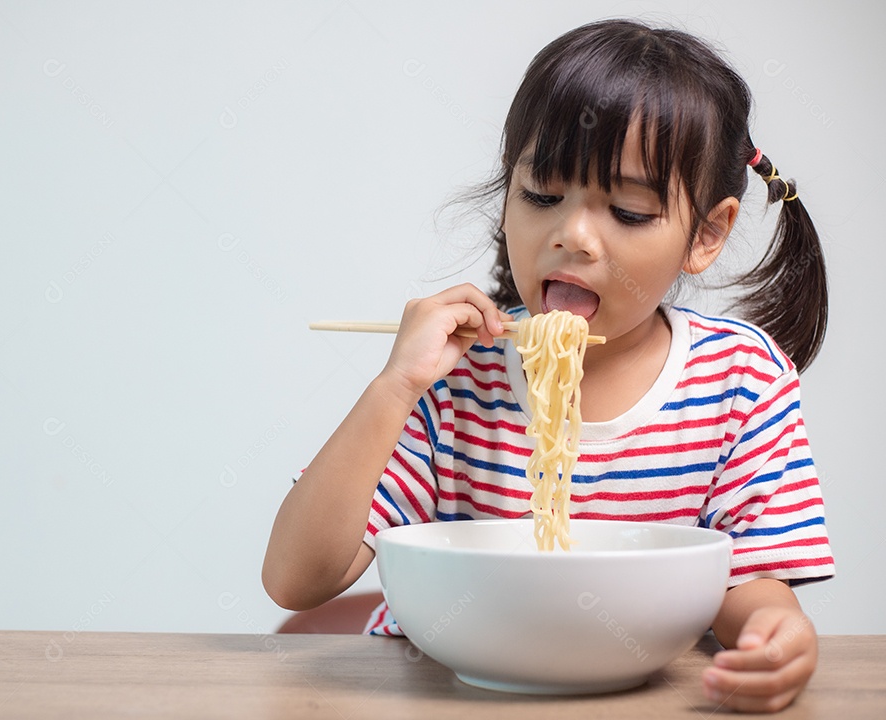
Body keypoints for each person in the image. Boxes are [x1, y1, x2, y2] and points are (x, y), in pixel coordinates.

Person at [262, 18, 834, 714]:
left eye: (628, 211)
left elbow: (749, 581)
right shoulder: (455, 376)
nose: (573, 235)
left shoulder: (741, 379)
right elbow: (296, 580)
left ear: (706, 234)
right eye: (541, 196)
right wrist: (395, 386)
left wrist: (775, 631)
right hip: (441, 693)